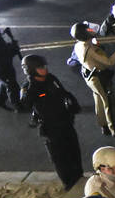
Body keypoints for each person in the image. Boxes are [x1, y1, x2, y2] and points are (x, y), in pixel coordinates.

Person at [19, 54, 84, 190]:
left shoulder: (51, 79)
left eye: (44, 66)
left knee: (74, 153)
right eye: (40, 67)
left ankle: (79, 178)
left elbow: (63, 92)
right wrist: (32, 89)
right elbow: (25, 103)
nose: (44, 69)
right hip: (51, 128)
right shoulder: (29, 87)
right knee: (61, 159)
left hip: (65, 122)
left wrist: (72, 104)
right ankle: (70, 184)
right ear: (31, 70)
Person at [71, 20, 115, 137]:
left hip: (90, 76)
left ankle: (103, 125)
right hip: (99, 77)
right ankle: (114, 128)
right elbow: (109, 62)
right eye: (88, 30)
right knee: (109, 103)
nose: (90, 30)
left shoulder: (78, 45)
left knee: (99, 101)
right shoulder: (91, 50)